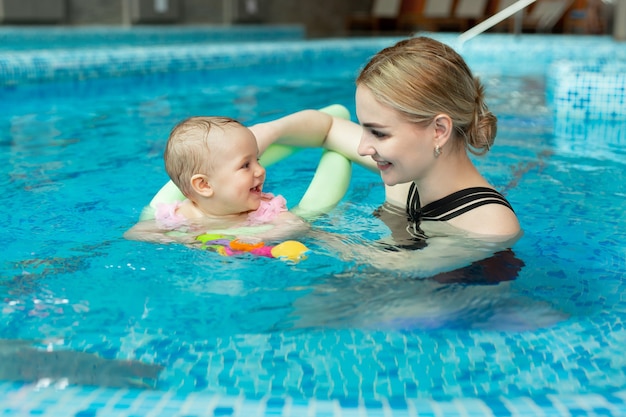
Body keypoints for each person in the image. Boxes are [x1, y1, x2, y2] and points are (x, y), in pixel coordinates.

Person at [252, 36, 521, 248]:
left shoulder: (489, 226)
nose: (362, 148)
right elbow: (328, 127)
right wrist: (265, 133)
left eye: (378, 133)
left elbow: (396, 271)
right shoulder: (410, 172)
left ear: (439, 130)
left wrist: (305, 231)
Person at [124, 116, 308, 245]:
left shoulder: (264, 208)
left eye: (257, 160)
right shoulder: (181, 216)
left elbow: (296, 225)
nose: (260, 170)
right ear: (204, 185)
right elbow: (135, 233)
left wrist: (263, 238)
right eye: (246, 165)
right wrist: (177, 239)